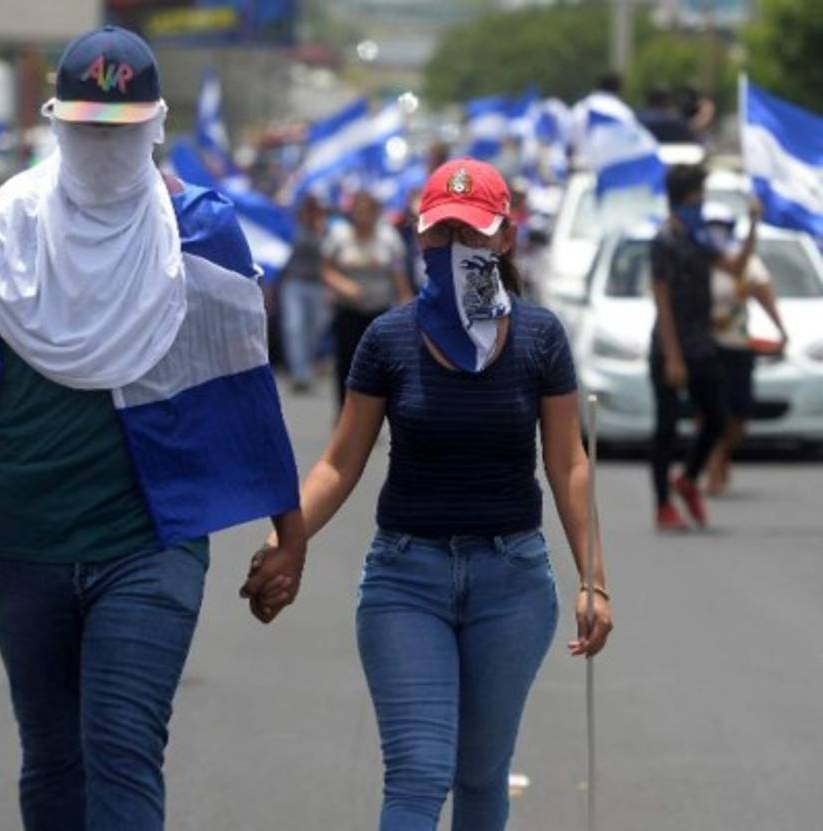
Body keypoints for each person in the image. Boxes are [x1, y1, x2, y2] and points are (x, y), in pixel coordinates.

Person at [0, 26, 305, 831]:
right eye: (86, 127)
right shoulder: (1, 233)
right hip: (22, 541)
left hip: (154, 539)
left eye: (120, 129)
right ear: (55, 124)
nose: (103, 144)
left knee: (121, 748)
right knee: (53, 759)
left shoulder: (199, 232)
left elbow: (245, 384)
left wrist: (292, 534)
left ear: (155, 127)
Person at [254, 159, 612, 829]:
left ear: (505, 238)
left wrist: (595, 579)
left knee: (481, 775)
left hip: (511, 582)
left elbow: (567, 463)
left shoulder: (539, 338)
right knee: (419, 769)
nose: (457, 250)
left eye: (472, 234)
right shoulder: (388, 339)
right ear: (420, 239)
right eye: (441, 233)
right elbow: (339, 461)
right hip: (404, 579)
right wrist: (285, 537)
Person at [649, 165, 759, 530]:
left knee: (718, 418)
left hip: (701, 343)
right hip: (669, 345)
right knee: (666, 426)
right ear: (685, 197)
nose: (703, 201)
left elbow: (737, 266)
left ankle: (688, 478)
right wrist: (673, 357)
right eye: (699, 194)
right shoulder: (664, 240)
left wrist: (754, 224)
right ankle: (664, 505)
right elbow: (661, 300)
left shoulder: (701, 237)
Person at [703, 205, 787, 495]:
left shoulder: (744, 263)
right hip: (708, 350)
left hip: (738, 347)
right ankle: (713, 463)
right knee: (712, 412)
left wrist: (753, 223)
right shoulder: (698, 261)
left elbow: (760, 290)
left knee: (739, 416)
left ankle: (722, 455)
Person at [322, 190, 412, 407]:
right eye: (358, 211)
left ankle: (375, 416)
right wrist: (341, 285)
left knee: (379, 368)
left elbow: (399, 275)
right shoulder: (339, 236)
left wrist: (407, 305)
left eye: (367, 212)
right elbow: (326, 269)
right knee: (347, 365)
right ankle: (344, 414)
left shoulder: (388, 238)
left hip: (379, 314)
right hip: (348, 312)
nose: (362, 217)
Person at [279, 194, 328, 393]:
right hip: (294, 284)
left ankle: (306, 364)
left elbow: (329, 257)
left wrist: (321, 230)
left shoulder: (324, 230)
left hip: (317, 285)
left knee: (314, 328)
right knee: (294, 327)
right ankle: (300, 373)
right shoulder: (290, 230)